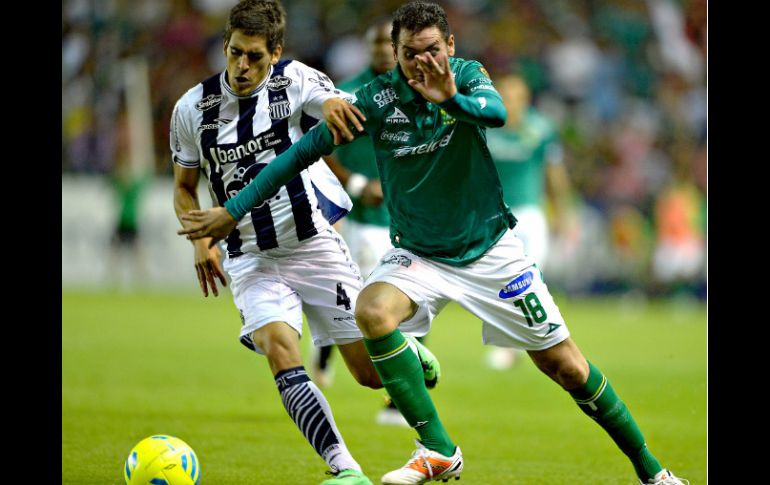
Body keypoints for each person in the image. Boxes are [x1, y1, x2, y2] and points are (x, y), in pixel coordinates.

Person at [177, 3, 688, 484]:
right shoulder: (376, 100)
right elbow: (299, 155)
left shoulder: (466, 75)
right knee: (372, 311)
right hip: (419, 255)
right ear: (395, 54)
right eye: (409, 53)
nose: (422, 62)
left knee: (568, 368)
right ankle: (438, 448)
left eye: (431, 50)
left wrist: (450, 99)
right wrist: (231, 212)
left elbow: (495, 114)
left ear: (449, 45)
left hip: (491, 252)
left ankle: (653, 472)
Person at [170, 2, 438, 484]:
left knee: (368, 375)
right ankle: (345, 468)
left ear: (275, 52)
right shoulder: (192, 109)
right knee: (280, 349)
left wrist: (333, 107)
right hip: (249, 257)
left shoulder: (294, 80)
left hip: (312, 245)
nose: (242, 66)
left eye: (254, 56)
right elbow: (184, 186)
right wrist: (200, 240)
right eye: (235, 53)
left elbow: (331, 100)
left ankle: (409, 351)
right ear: (225, 45)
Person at [313, 18, 415, 428]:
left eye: (389, 46)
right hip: (353, 215)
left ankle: (397, 397)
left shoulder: (416, 90)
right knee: (347, 295)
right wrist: (356, 183)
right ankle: (326, 355)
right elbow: (318, 147)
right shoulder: (349, 93)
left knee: (403, 302)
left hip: (401, 218)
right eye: (377, 46)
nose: (383, 52)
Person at [484, 73, 573, 370]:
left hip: (530, 215)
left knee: (530, 281)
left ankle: (536, 341)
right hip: (494, 216)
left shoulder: (541, 130)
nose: (510, 102)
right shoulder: (485, 126)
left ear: (526, 99)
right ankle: (508, 346)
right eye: (505, 96)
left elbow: (554, 173)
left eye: (515, 97)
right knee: (500, 282)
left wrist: (563, 212)